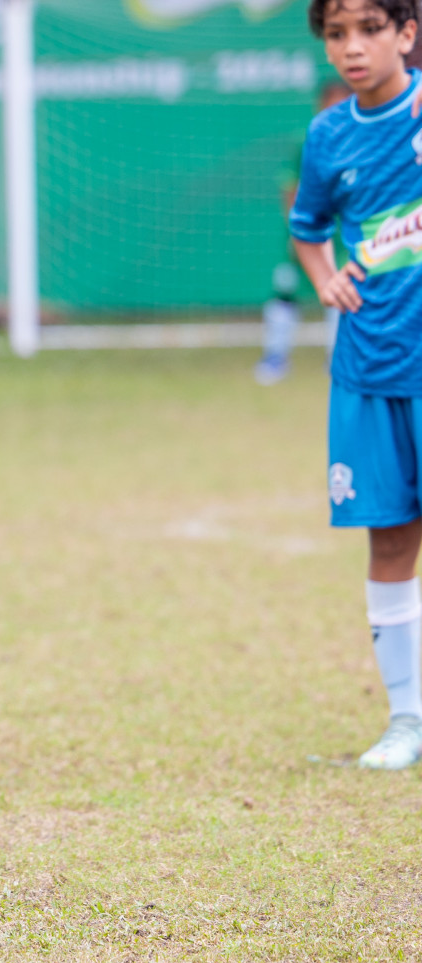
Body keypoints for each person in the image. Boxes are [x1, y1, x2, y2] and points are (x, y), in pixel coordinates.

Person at [290, 0, 422, 767]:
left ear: (407, 33)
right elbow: (308, 228)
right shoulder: (329, 133)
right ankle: (406, 720)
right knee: (391, 536)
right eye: (337, 34)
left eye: (370, 29)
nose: (352, 48)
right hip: (370, 368)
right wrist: (323, 281)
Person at [254, 79, 351, 385]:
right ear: (319, 106)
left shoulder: (358, 140)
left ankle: (337, 361)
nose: (334, 110)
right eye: (329, 103)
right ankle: (275, 358)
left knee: (343, 294)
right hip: (308, 236)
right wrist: (299, 232)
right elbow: (290, 188)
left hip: (343, 238)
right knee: (284, 291)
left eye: (341, 103)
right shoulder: (307, 140)